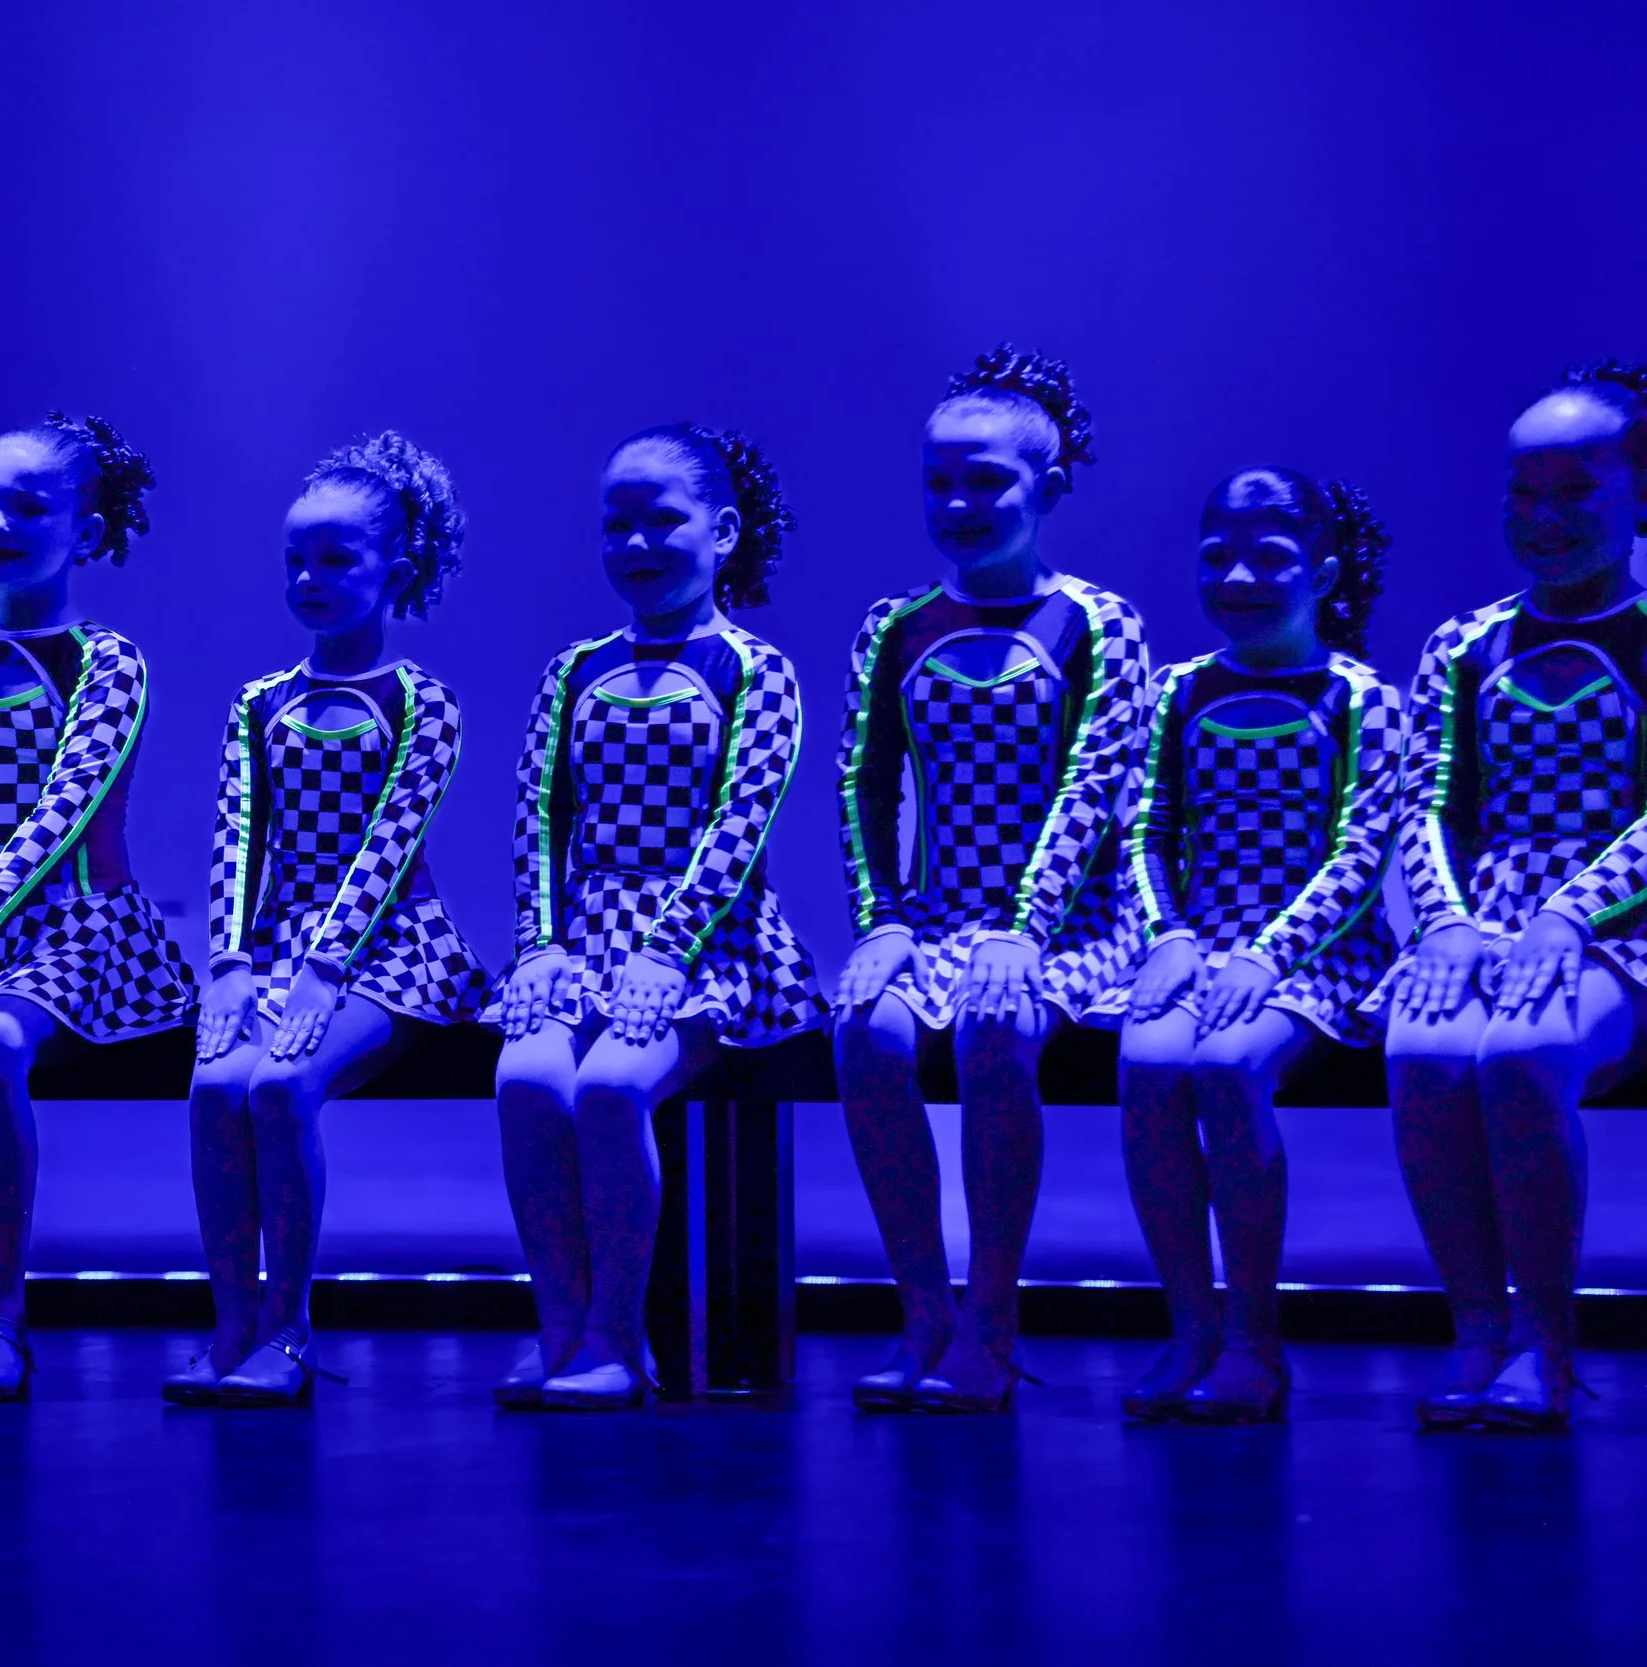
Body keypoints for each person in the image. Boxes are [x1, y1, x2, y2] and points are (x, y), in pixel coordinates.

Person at [834, 346, 1150, 1413]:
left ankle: (994, 1317)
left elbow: (1092, 789)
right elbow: (863, 785)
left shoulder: (1096, 625)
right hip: (938, 912)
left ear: (1049, 487)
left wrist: (1022, 928)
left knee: (995, 1029)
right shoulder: (895, 627)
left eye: (987, 480)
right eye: (939, 482)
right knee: (865, 1030)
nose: (959, 503)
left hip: (1070, 921)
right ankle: (923, 1306)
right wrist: (880, 918)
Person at [490, 423, 822, 1412]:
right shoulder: (571, 670)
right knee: (525, 1078)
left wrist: (666, 951)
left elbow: (737, 823)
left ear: (722, 532)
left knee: (608, 1088)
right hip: (586, 935)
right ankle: (557, 1324)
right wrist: (540, 944)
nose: (637, 544)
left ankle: (616, 1334)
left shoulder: (755, 670)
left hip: (710, 943)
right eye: (616, 524)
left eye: (662, 520)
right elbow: (538, 815)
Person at [0, 415, 193, 1403]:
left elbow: (65, 807)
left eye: (28, 503)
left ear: (88, 534)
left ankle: (5, 1315)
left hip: (77, 926)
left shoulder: (107, 660)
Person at [172, 432, 486, 1408]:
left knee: (279, 1086)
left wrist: (321, 971)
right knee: (214, 1089)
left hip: (390, 950)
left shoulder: (421, 701)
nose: (309, 578)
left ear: (395, 570)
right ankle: (231, 1323)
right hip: (271, 948)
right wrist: (226, 961)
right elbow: (237, 839)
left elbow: (385, 850)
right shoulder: (260, 702)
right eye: (295, 561)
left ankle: (290, 1331)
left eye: (336, 559)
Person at [1086, 467, 1401, 1422]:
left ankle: (1256, 1341)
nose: (1240, 576)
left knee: (1226, 1067)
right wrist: (1171, 937)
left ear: (1326, 571)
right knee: (1147, 1062)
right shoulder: (1179, 691)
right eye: (1218, 554)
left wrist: (1267, 956)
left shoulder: (1361, 698)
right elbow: (1141, 830)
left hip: (1317, 955)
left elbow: (1358, 853)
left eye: (1271, 557)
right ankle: (1192, 1326)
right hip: (1196, 944)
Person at [1376, 362, 1647, 1432]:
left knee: (1525, 1054)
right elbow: (1425, 800)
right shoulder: (1466, 642)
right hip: (1486, 922)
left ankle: (1547, 1340)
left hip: (1619, 928)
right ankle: (1475, 1329)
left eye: (1574, 490)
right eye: (1520, 492)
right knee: (1423, 1049)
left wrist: (1568, 913)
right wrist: (1443, 922)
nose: (1542, 517)